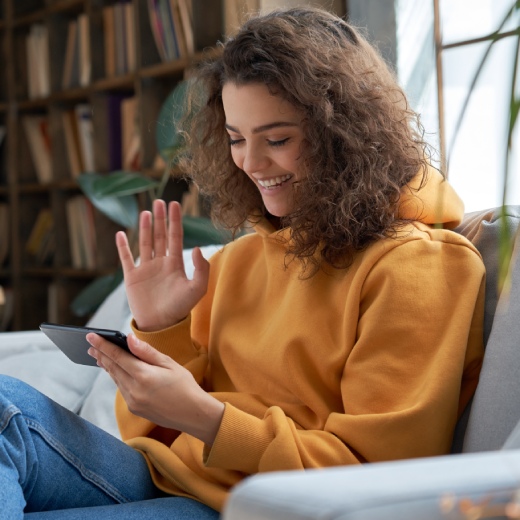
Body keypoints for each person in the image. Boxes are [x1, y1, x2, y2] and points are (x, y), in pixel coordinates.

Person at [0, 7, 485, 519]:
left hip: (263, 508)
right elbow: (150, 432)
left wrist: (210, 420)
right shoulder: (239, 259)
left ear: (346, 133)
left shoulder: (419, 268)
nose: (251, 163)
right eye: (236, 138)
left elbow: (376, 478)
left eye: (277, 139)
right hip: (168, 480)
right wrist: (164, 328)